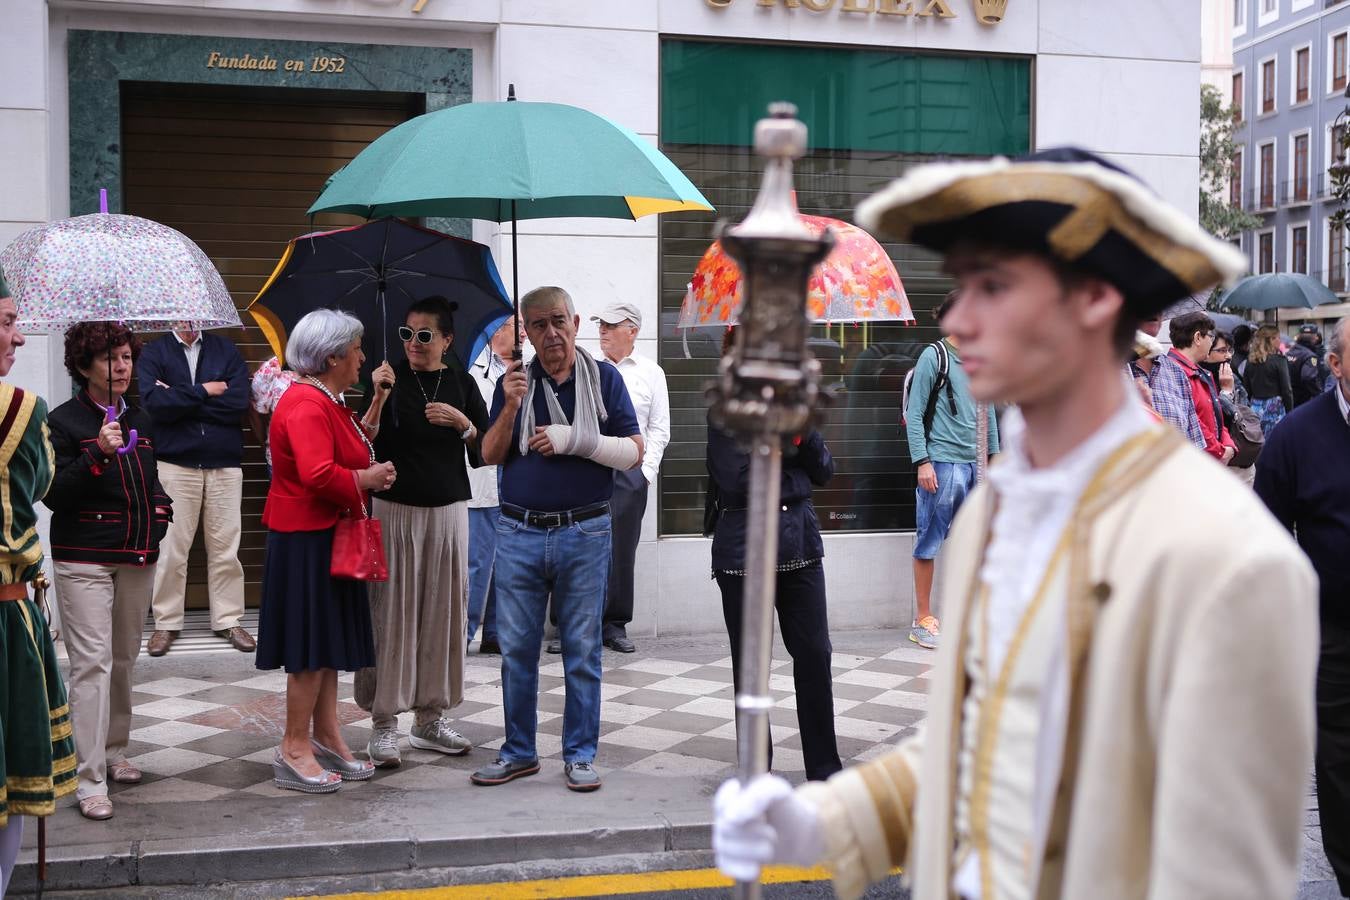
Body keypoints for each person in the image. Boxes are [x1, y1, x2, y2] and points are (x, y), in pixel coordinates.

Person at [713, 148, 1318, 900]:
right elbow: (974, 750)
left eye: (992, 286)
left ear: (1094, 298)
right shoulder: (991, 519)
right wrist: (819, 823)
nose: (959, 318)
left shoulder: (1231, 563)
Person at [472, 286, 643, 793]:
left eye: (559, 322)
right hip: (520, 531)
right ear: (526, 331)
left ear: (575, 322)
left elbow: (632, 452)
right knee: (517, 652)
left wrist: (575, 440)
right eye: (540, 325)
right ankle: (519, 753)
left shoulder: (604, 378)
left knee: (582, 652)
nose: (551, 333)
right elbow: (487, 454)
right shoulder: (515, 383)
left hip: (585, 532)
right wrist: (508, 405)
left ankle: (580, 755)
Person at [256, 309, 393, 794]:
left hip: (324, 537)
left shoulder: (327, 400)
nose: (362, 356)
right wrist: (365, 479)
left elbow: (351, 445)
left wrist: (375, 405)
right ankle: (294, 747)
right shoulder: (307, 404)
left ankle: (328, 736)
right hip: (307, 541)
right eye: (356, 348)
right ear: (332, 355)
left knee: (327, 644)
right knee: (310, 650)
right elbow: (317, 473)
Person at [45, 322, 173, 820]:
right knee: (91, 664)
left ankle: (115, 750)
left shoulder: (140, 417)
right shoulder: (62, 422)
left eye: (125, 356)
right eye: (109, 358)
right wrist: (97, 450)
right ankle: (89, 776)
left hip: (138, 556)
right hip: (83, 559)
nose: (121, 367)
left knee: (122, 658)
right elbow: (54, 494)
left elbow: (150, 481)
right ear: (83, 366)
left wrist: (163, 510)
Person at [354, 297, 489, 768]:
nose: (413, 343)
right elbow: (359, 447)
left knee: (443, 615)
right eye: (406, 334)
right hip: (393, 512)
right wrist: (376, 396)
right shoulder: (386, 378)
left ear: (447, 341)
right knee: (390, 615)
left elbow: (487, 451)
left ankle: (430, 719)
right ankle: (384, 723)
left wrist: (465, 424)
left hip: (449, 512)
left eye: (425, 335)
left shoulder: (462, 382)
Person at [708, 327, 841, 782]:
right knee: (752, 666)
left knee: (815, 656)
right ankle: (755, 770)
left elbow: (824, 471)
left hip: (800, 545)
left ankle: (824, 768)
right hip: (744, 553)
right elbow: (738, 480)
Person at [1255, 315, 1350, 898]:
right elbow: (1265, 534)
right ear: (1335, 365)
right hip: (1332, 632)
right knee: (1339, 764)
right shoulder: (1294, 436)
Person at [0, 268, 77, 885]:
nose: (19, 337)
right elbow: (44, 483)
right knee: (11, 777)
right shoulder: (22, 411)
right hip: (4, 619)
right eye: (6, 321)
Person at [138, 324, 254, 656]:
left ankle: (228, 620)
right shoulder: (154, 353)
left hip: (224, 465)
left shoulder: (226, 350)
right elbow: (154, 404)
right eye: (182, 314)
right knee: (172, 549)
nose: (189, 321)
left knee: (225, 548)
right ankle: (166, 623)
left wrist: (180, 396)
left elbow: (237, 402)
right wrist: (205, 390)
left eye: (195, 314)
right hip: (175, 464)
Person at [904, 291, 999, 650]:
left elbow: (987, 412)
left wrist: (993, 461)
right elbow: (914, 414)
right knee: (930, 540)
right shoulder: (935, 356)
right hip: (942, 463)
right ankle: (923, 618)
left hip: (976, 464)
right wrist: (922, 462)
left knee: (975, 542)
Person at [592, 301, 670, 654]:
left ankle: (615, 624)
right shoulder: (587, 368)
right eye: (601, 325)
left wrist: (645, 473)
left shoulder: (652, 372)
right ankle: (572, 624)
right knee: (580, 544)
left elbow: (659, 428)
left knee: (622, 548)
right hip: (589, 466)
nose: (603, 331)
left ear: (633, 331)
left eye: (611, 325)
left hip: (629, 471)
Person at [466, 318, 521, 656]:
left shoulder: (521, 372)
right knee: (478, 561)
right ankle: (465, 632)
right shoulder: (474, 372)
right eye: (519, 326)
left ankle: (497, 632)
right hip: (483, 479)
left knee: (508, 560)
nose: (526, 333)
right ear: (498, 330)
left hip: (511, 480)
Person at [1165, 312, 1236, 464]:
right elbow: (1193, 422)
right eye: (1211, 337)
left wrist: (1228, 444)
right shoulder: (1171, 371)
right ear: (1198, 338)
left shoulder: (1201, 372)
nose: (1212, 342)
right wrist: (1220, 451)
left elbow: (1217, 418)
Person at [248, 355, 296, 477]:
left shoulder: (328, 371)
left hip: (318, 459)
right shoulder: (272, 371)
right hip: (281, 460)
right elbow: (256, 414)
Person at [1243, 324, 1294, 435]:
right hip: (1275, 408)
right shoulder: (1279, 360)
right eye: (1278, 337)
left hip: (1255, 407)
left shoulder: (1250, 361)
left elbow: (1246, 388)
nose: (1280, 340)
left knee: (1258, 442)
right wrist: (1290, 412)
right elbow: (1287, 390)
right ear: (1271, 339)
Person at [1288, 324, 1327, 408]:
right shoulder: (1310, 356)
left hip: (1289, 399)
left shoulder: (1290, 352)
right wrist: (1319, 394)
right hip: (1303, 401)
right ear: (1314, 337)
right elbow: (1308, 377)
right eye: (1316, 335)